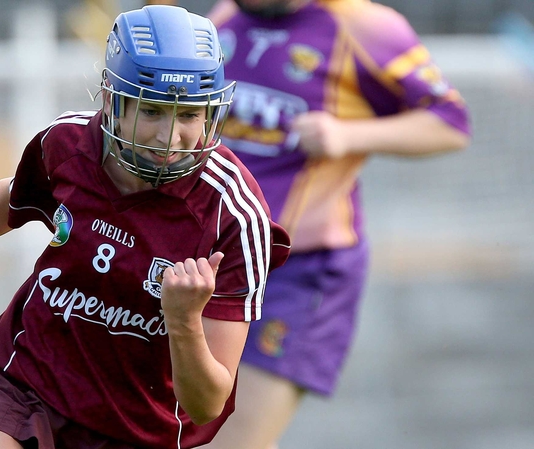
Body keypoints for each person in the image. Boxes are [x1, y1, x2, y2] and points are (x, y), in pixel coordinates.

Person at [0, 5, 291, 449]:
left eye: (189, 114)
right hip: (25, 382)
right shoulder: (69, 144)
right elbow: (11, 198)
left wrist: (183, 319)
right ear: (114, 100)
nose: (170, 138)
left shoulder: (233, 214)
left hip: (134, 429)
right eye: (152, 110)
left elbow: (208, 402)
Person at [199, 1, 472, 448]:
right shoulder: (222, 20)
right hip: (212, 264)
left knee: (228, 442)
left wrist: (348, 135)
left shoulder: (365, 26)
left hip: (301, 274)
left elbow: (451, 123)